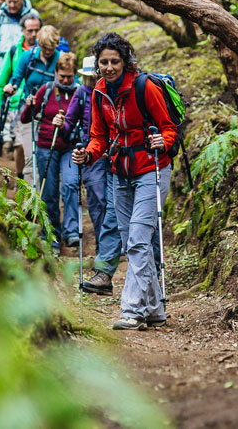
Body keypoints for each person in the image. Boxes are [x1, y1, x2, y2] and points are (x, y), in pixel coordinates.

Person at [72, 33, 177, 331]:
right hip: (120, 174)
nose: (108, 67)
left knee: (138, 241)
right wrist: (87, 155)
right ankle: (155, 309)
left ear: (125, 61)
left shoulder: (144, 87)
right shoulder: (99, 92)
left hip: (151, 170)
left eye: (114, 61)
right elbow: (99, 137)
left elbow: (169, 128)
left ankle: (132, 310)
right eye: (103, 62)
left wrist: (161, 140)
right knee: (134, 239)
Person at [58, 55, 120, 295]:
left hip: (114, 153)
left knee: (112, 202)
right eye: (91, 76)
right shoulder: (83, 93)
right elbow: (70, 123)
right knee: (96, 200)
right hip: (92, 155)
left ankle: (111, 249)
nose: (94, 79)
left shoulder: (112, 91)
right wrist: (60, 124)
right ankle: (104, 248)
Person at [21, 51, 79, 252]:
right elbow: (25, 119)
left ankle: (72, 231)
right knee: (49, 192)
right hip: (47, 146)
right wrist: (29, 106)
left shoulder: (79, 93)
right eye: (62, 76)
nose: (65, 80)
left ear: (75, 75)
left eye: (69, 77)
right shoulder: (46, 90)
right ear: (55, 73)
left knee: (71, 185)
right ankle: (52, 233)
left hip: (70, 147)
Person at [5, 25, 61, 187]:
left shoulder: (60, 59)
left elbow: (70, 82)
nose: (47, 51)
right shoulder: (28, 57)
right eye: (44, 48)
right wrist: (11, 86)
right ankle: (29, 200)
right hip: (29, 111)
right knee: (29, 155)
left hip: (50, 115)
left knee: (45, 158)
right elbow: (16, 78)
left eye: (51, 48)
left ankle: (44, 196)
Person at [0, 12, 41, 155]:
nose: (34, 34)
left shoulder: (46, 53)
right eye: (30, 30)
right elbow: (0, 81)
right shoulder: (14, 51)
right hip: (13, 105)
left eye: (37, 30)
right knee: (20, 144)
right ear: (23, 30)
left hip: (35, 104)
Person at [0, 0, 34, 85]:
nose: (12, 5)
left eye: (15, 2)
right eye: (9, 2)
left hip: (23, 66)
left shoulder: (32, 15)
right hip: (0, 65)